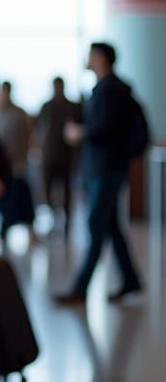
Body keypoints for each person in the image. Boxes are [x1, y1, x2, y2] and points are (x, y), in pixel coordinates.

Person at [54, 43, 142, 305]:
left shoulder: (109, 89)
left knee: (96, 225)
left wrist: (79, 132)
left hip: (106, 168)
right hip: (108, 166)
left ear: (101, 58)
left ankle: (81, 288)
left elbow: (104, 127)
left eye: (91, 55)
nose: (87, 59)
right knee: (111, 226)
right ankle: (130, 279)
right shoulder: (110, 88)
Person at [0, 81, 34, 237]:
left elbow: (27, 137)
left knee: (15, 196)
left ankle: (9, 226)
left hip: (16, 164)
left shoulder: (19, 114)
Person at [33, 77, 80, 235]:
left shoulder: (71, 107)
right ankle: (55, 221)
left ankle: (64, 223)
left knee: (64, 191)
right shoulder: (48, 106)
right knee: (51, 190)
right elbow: (39, 130)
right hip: (53, 155)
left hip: (61, 155)